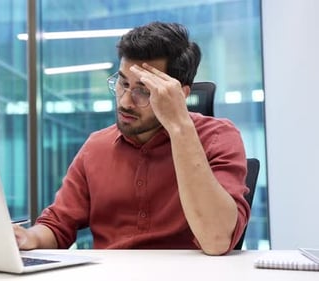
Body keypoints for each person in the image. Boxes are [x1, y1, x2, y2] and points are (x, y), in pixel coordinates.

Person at [14, 21, 250, 255]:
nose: (125, 101)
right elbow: (57, 225)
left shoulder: (218, 137)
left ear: (180, 95)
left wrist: (179, 126)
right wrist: (28, 237)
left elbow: (217, 240)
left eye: (144, 90)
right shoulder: (97, 146)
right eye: (123, 83)